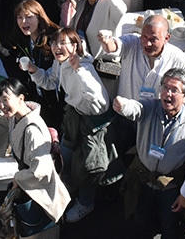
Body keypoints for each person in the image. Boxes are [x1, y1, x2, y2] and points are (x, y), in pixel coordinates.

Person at [0, 77, 70, 233]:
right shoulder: (16, 117)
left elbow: (41, 170)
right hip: (26, 180)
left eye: (5, 100)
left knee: (32, 226)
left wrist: (18, 177)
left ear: (21, 98)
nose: (2, 106)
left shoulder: (32, 131)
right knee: (23, 223)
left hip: (36, 188)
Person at [25, 27, 111, 223]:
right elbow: (50, 81)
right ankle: (67, 190)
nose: (57, 47)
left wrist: (79, 71)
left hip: (92, 124)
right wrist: (33, 69)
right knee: (65, 156)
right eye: (55, 43)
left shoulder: (84, 68)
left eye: (64, 43)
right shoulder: (60, 62)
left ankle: (85, 203)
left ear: (75, 46)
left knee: (87, 167)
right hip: (73, 116)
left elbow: (101, 103)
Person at [112, 66, 185, 237]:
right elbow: (136, 108)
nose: (167, 94)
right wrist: (123, 105)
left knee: (168, 223)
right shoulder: (150, 107)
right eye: (165, 88)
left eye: (174, 90)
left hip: (170, 186)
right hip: (142, 179)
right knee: (139, 217)